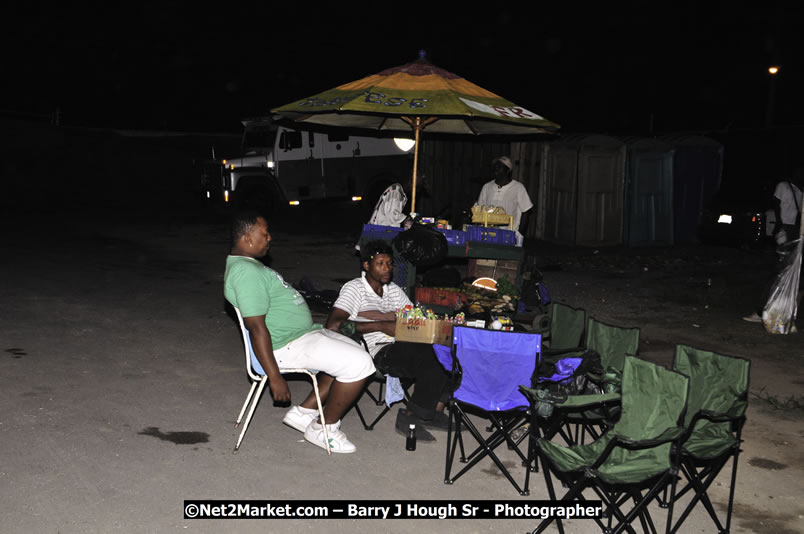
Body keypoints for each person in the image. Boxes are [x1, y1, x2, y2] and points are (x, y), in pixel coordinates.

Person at [224, 211, 375, 453]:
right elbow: (256, 326)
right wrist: (274, 376)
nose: (269, 237)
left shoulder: (249, 266)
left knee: (354, 350)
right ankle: (324, 427)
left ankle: (304, 412)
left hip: (302, 336)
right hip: (285, 345)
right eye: (264, 234)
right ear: (247, 238)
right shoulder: (246, 272)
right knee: (360, 363)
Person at [325, 241, 452, 442]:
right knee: (431, 358)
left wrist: (385, 315)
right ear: (366, 265)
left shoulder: (392, 290)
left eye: (390, 263)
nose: (387, 268)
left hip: (407, 342)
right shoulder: (355, 289)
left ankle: (435, 411)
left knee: (450, 350)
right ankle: (411, 416)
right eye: (381, 263)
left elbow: (412, 317)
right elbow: (333, 325)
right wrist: (381, 325)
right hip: (378, 350)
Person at [743, 174, 803, 324]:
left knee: (780, 272)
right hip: (795, 232)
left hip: (787, 231)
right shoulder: (799, 191)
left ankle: (765, 312)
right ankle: (784, 314)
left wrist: (778, 227)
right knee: (791, 273)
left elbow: (777, 205)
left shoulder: (783, 186)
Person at [476, 156, 533, 239]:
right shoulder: (487, 187)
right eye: (495, 167)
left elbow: (526, 211)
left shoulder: (518, 188)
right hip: (487, 234)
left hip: (508, 235)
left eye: (499, 167)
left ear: (508, 170)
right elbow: (479, 210)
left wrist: (519, 235)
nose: (496, 169)